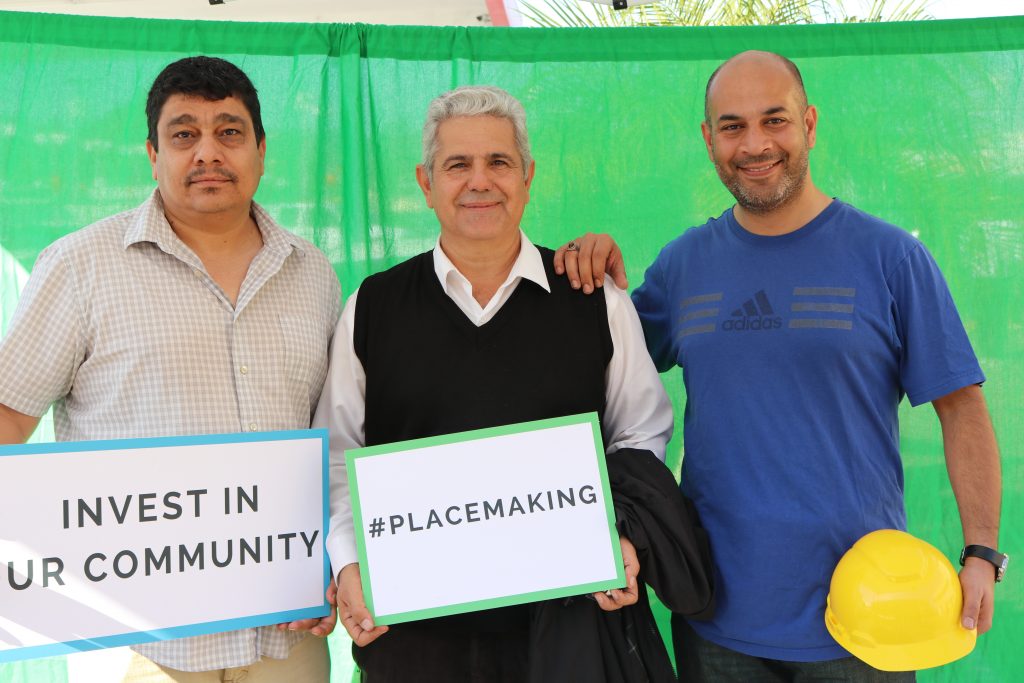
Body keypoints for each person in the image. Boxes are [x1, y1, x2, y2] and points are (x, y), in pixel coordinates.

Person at [554, 50, 1003, 680]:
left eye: (775, 120)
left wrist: (982, 550)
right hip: (715, 615)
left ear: (810, 124)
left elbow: (963, 408)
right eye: (733, 126)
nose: (756, 144)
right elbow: (590, 367)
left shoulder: (890, 258)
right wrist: (587, 267)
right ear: (709, 140)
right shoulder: (684, 267)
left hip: (866, 614)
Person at [314, 85, 689, 682]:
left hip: (570, 626)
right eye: (457, 164)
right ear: (425, 182)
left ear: (528, 175)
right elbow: (339, 458)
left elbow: (640, 435)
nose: (479, 181)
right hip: (417, 636)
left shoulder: (594, 300)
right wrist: (350, 563)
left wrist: (623, 535)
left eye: (499, 162)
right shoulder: (374, 307)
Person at [0, 56, 340, 682]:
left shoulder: (312, 273)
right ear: (152, 154)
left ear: (261, 152)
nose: (208, 151)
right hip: (137, 639)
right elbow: (7, 416)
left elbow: (334, 440)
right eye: (184, 134)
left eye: (229, 132)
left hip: (285, 634)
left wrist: (337, 560)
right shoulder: (80, 266)